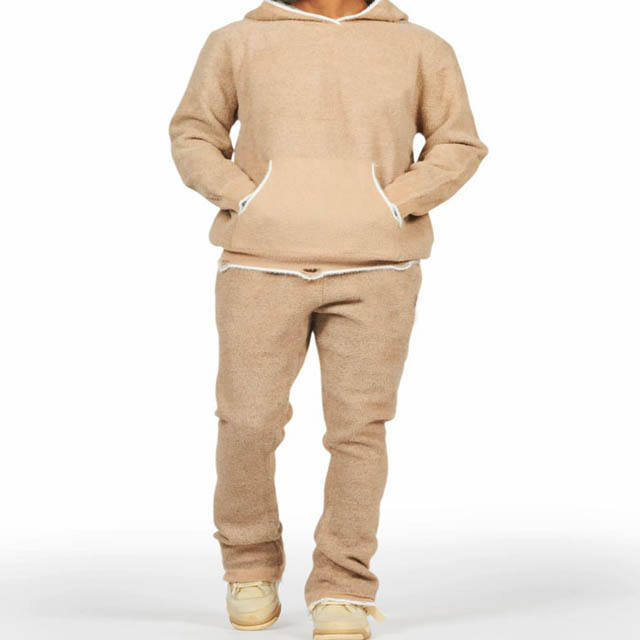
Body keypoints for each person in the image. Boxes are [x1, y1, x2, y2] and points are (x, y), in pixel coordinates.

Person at [170, 0, 487, 636]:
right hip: (260, 265)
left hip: (378, 269)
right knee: (247, 422)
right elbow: (194, 133)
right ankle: (248, 567)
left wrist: (394, 203)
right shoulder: (236, 41)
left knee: (358, 431)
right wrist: (248, 199)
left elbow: (457, 142)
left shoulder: (421, 47)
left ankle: (344, 585)